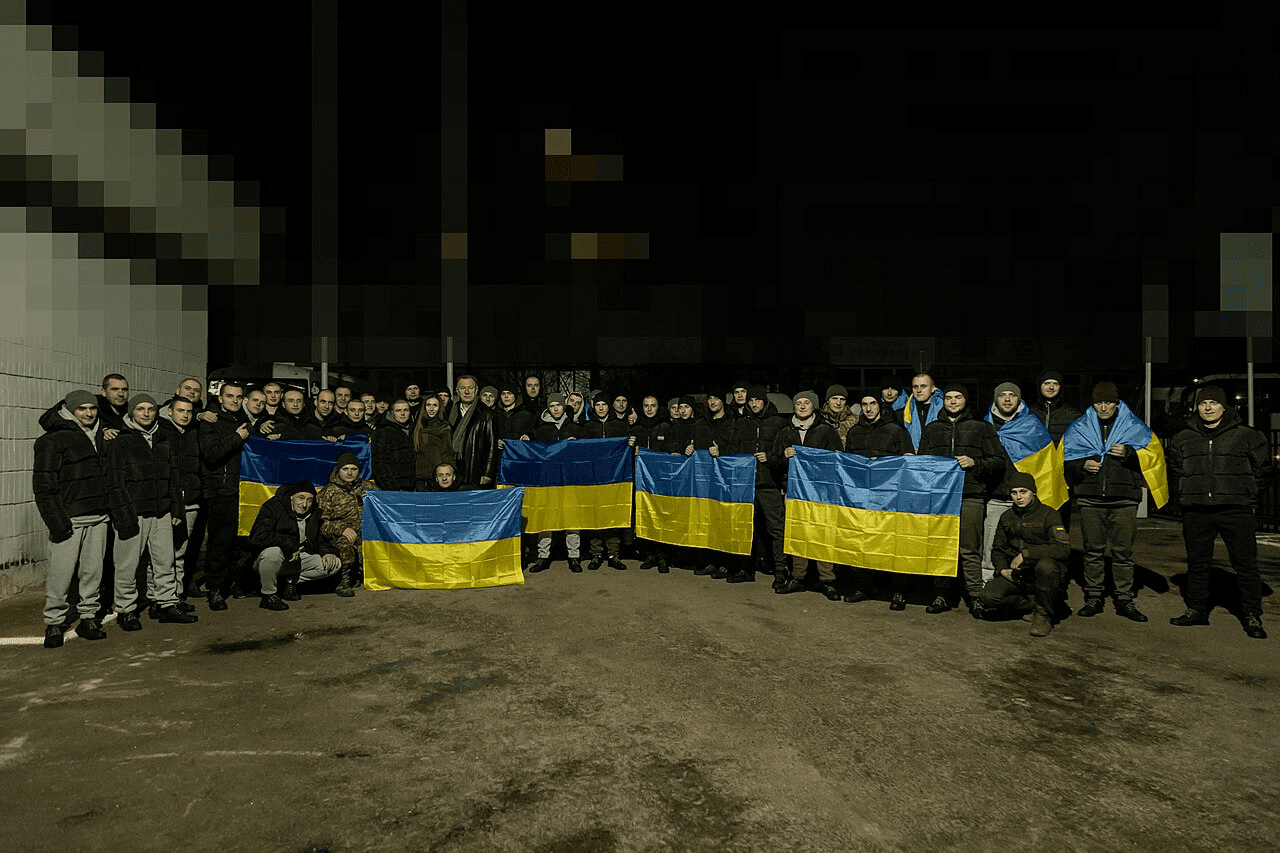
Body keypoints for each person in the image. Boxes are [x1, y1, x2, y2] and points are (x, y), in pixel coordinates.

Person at [1167, 386, 1272, 639]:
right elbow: (1176, 468)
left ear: (1225, 407)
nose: (1208, 408)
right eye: (1203, 403)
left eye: (1214, 403)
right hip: (1197, 509)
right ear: (1196, 408)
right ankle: (1197, 610)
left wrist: (1246, 492)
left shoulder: (1247, 436)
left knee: (1245, 564)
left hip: (1236, 509)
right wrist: (1189, 490)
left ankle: (1250, 614)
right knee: (1198, 563)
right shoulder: (1183, 437)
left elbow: (1264, 469)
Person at [33, 390, 135, 647]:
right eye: (82, 409)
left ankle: (89, 617)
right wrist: (57, 522)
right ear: (69, 410)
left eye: (92, 408)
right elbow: (44, 486)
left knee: (93, 573)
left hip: (99, 517)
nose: (88, 413)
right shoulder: (52, 440)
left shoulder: (102, 435)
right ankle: (54, 623)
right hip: (69, 520)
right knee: (61, 574)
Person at [104, 394, 196, 629]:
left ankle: (165, 604)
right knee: (127, 565)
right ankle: (126, 610)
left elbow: (174, 479)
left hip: (162, 512)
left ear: (157, 412)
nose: (146, 413)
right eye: (140, 409)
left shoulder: (163, 439)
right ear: (132, 412)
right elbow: (114, 483)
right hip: (134, 513)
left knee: (164, 563)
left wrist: (176, 508)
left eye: (151, 409)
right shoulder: (119, 440)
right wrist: (123, 515)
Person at [1063, 382, 1150, 624]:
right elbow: (1065, 459)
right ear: (1093, 404)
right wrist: (1082, 466)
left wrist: (1130, 453)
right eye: (1099, 402)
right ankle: (1094, 597)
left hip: (1124, 498)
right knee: (1093, 551)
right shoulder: (1079, 427)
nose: (1104, 407)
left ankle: (1124, 598)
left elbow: (1150, 458)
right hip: (1090, 497)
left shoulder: (1133, 427)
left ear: (1117, 403)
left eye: (1109, 402)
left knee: (1123, 552)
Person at [918, 384, 1005, 617]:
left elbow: (998, 462)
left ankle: (975, 596)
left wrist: (975, 463)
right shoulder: (932, 429)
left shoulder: (981, 428)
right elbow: (923, 464)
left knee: (969, 548)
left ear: (965, 401)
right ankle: (942, 594)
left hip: (971, 495)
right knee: (941, 546)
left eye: (958, 397)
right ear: (943, 401)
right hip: (940, 499)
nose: (953, 402)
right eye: (948, 397)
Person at [843, 390, 914, 609]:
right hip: (863, 495)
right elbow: (849, 464)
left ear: (879, 405)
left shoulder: (896, 430)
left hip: (891, 495)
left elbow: (908, 461)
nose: (868, 408)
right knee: (862, 540)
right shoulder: (855, 432)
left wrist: (883, 462)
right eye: (864, 404)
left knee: (893, 541)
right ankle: (863, 586)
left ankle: (899, 591)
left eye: (872, 403)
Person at [976, 472, 1070, 637]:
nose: (1018, 497)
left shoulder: (1050, 514)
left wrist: (1027, 554)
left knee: (1046, 566)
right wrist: (1003, 570)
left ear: (1033, 492)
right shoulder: (1006, 517)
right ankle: (1034, 604)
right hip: (1019, 576)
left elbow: (1062, 549)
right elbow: (997, 549)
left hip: (1043, 574)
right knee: (987, 596)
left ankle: (1043, 615)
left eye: (1023, 492)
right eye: (1014, 493)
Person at [773, 391, 844, 600]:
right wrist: (784, 457)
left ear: (814, 406)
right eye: (798, 403)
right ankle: (798, 576)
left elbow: (837, 460)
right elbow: (774, 462)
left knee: (823, 534)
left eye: (807, 403)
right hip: (795, 492)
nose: (802, 406)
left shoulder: (826, 431)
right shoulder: (784, 431)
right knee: (798, 533)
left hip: (822, 492)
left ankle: (827, 579)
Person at [726, 385, 787, 584]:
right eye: (750, 401)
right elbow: (732, 452)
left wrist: (769, 458)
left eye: (757, 400)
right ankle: (746, 569)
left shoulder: (778, 423)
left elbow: (784, 456)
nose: (753, 404)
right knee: (745, 527)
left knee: (776, 528)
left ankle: (780, 570)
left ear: (765, 401)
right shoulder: (741, 423)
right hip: (746, 485)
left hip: (769, 483)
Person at [198, 381, 251, 610]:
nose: (234, 400)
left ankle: (234, 583)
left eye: (239, 397)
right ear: (220, 398)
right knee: (220, 542)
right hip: (220, 490)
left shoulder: (243, 421)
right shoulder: (211, 421)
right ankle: (215, 589)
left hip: (241, 489)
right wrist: (237, 437)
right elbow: (212, 454)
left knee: (239, 541)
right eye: (230, 396)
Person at [248, 481, 340, 611]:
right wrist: (290, 544)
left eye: (309, 500)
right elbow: (257, 537)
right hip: (268, 559)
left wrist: (328, 552)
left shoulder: (315, 513)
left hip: (297, 559)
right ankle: (269, 595)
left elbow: (321, 538)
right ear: (292, 496)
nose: (304, 504)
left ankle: (290, 582)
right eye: (301, 498)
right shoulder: (273, 507)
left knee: (334, 564)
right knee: (273, 553)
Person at [157, 396, 206, 602]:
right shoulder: (160, 433)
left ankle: (176, 596)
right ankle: (160, 598)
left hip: (191, 502)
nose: (185, 415)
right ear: (169, 411)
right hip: (167, 503)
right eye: (180, 411)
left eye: (189, 411)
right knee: (161, 556)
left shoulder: (195, 433)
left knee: (179, 553)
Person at [527, 393, 583, 573]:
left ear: (563, 405)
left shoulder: (575, 427)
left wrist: (577, 445)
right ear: (548, 408)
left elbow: (587, 453)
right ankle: (543, 556)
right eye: (551, 406)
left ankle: (574, 556)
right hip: (548, 479)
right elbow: (533, 455)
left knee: (571, 517)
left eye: (558, 405)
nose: (556, 409)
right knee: (546, 517)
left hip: (570, 479)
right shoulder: (541, 430)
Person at [579, 393, 633, 570]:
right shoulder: (587, 426)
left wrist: (630, 443)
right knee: (595, 515)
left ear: (609, 406)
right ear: (593, 407)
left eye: (604, 404)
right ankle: (595, 554)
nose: (601, 407)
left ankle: (613, 554)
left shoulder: (619, 425)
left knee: (613, 515)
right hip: (594, 477)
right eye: (598, 404)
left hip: (614, 476)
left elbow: (626, 449)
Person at [316, 453, 379, 597]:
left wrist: (373, 500)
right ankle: (343, 581)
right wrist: (341, 529)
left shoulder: (369, 487)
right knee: (345, 545)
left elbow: (385, 507)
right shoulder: (329, 492)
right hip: (341, 535)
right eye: (345, 469)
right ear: (338, 470)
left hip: (367, 533)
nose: (349, 472)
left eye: (353, 469)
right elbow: (320, 523)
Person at [1029, 369, 1081, 531]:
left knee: (1059, 527)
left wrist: (1070, 478)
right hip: (1032, 480)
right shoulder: (1027, 414)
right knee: (1032, 526)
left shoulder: (1072, 415)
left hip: (1061, 482)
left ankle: (1058, 555)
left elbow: (1078, 450)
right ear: (1039, 386)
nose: (1051, 387)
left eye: (1055, 384)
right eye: (1047, 383)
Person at [982, 382, 1024, 576]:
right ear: (995, 399)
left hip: (1023, 499)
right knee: (989, 547)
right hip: (994, 497)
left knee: (1022, 548)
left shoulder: (1031, 426)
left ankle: (1020, 589)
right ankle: (988, 588)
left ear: (1019, 399)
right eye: (1002, 395)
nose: (1007, 399)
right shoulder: (984, 427)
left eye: (1012, 395)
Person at [448, 375, 499, 488]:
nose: (467, 392)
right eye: (463, 388)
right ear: (457, 391)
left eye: (470, 388)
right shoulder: (450, 412)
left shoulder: (487, 414)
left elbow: (492, 445)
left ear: (476, 390)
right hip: (453, 472)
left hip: (475, 472)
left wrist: (487, 473)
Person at [411, 396, 455, 492]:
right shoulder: (418, 426)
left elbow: (447, 453)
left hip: (435, 478)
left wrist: (446, 475)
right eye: (428, 405)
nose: (431, 409)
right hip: (419, 478)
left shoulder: (444, 428)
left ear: (440, 408)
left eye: (435, 405)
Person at [372, 399, 416, 490]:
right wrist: (392, 488)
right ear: (392, 412)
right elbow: (379, 463)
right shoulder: (382, 432)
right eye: (398, 410)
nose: (402, 413)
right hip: (394, 489)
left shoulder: (414, 429)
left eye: (405, 410)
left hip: (412, 488)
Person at [901, 373, 943, 451]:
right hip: (913, 457)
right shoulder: (906, 410)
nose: (919, 390)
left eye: (923, 386)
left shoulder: (944, 409)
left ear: (933, 388)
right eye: (915, 387)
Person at [819, 384, 856, 449]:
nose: (838, 403)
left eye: (842, 399)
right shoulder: (819, 420)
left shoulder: (855, 421)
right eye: (834, 398)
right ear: (827, 400)